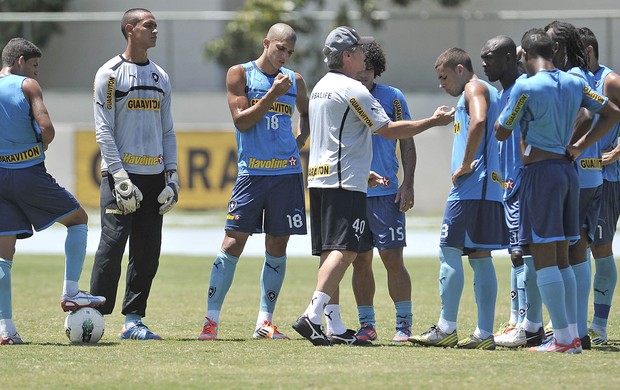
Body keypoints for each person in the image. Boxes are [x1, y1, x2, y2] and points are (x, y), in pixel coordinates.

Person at [292, 26, 454, 346]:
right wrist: (433, 122)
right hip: (345, 184)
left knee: (333, 251)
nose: (365, 58)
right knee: (348, 250)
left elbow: (336, 140)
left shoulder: (322, 86)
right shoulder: (353, 89)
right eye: (360, 52)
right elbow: (389, 131)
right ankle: (313, 315)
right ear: (348, 56)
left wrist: (375, 175)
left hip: (325, 179)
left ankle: (335, 325)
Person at [495, 28, 620, 353]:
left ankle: (563, 339)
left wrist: (515, 122)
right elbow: (611, 113)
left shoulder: (525, 86)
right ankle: (573, 336)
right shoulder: (575, 82)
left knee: (543, 253)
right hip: (569, 172)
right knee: (565, 254)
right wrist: (580, 146)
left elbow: (501, 130)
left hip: (541, 174)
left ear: (524, 54)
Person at [198, 23, 310, 341]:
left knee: (277, 245)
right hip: (252, 174)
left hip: (286, 175)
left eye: (290, 52)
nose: (285, 56)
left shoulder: (296, 81)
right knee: (233, 243)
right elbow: (242, 122)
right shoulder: (240, 74)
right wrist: (272, 95)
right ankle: (211, 321)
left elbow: (306, 111)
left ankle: (265, 322)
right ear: (266, 43)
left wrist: (301, 137)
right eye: (281, 49)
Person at [0, 38, 105, 345]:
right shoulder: (27, 86)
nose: (36, 73)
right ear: (20, 61)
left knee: (3, 257)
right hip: (28, 175)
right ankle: (71, 291)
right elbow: (47, 129)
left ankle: (6, 329)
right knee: (79, 219)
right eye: (33, 66)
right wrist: (39, 142)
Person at [408, 48, 508, 350]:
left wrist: (465, 164)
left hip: (470, 188)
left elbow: (478, 122)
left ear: (461, 69)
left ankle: (446, 327)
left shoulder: (474, 88)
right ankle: (484, 333)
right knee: (480, 257)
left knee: (448, 251)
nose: (441, 84)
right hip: (487, 188)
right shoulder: (490, 90)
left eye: (444, 76)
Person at [90, 8, 178, 340]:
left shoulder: (161, 76)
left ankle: (134, 321)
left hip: (154, 177)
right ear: (130, 29)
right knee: (111, 246)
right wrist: (119, 176)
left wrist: (172, 176)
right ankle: (93, 315)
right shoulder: (109, 75)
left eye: (155, 26)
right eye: (148, 25)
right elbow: (104, 131)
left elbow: (167, 131)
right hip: (120, 177)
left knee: (147, 250)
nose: (155, 30)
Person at [481, 36, 545, 348]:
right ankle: (519, 320)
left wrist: (518, 177)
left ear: (510, 57)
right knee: (516, 255)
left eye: (490, 57)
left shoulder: (524, 87)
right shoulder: (502, 92)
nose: (484, 64)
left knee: (526, 253)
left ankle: (532, 325)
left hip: (525, 182)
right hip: (509, 185)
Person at [351, 41, 416, 343]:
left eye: (368, 68)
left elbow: (407, 140)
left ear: (376, 68)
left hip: (387, 193)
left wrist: (408, 182)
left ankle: (403, 325)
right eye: (358, 67)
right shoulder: (343, 96)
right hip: (352, 192)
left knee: (392, 258)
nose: (363, 73)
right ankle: (367, 325)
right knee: (359, 260)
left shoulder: (393, 97)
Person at [544, 20, 599, 349]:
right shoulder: (583, 76)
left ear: (561, 47)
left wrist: (567, 144)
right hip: (587, 175)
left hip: (575, 175)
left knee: (563, 253)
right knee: (577, 251)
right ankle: (578, 330)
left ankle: (570, 332)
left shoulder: (573, 77)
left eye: (551, 44)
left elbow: (587, 114)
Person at [580, 26, 620, 346]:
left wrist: (617, 150)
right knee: (575, 246)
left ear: (589, 51)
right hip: (580, 177)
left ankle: (599, 326)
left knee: (600, 248)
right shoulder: (572, 79)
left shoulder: (611, 81)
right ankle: (575, 322)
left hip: (607, 179)